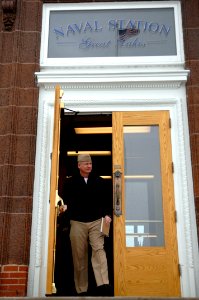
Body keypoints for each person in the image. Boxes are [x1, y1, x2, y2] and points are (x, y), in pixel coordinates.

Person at [61, 154, 112, 296]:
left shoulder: (100, 181)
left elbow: (107, 200)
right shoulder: (70, 183)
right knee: (79, 255)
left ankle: (103, 285)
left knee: (99, 250)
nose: (89, 166)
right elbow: (66, 203)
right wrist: (65, 213)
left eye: (90, 163)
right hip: (77, 222)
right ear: (79, 165)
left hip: (96, 221)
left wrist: (108, 215)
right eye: (85, 163)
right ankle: (81, 289)